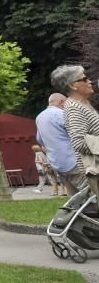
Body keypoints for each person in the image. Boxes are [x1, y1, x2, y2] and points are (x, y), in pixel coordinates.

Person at [53, 65, 99, 199]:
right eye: (84, 79)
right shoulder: (74, 108)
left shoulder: (84, 104)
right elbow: (79, 142)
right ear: (73, 85)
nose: (90, 81)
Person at [36, 92, 85, 195]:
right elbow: (78, 133)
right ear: (61, 102)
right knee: (90, 193)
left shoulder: (39, 117)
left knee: (74, 196)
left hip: (57, 163)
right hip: (75, 160)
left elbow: (40, 139)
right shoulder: (61, 114)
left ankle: (78, 210)